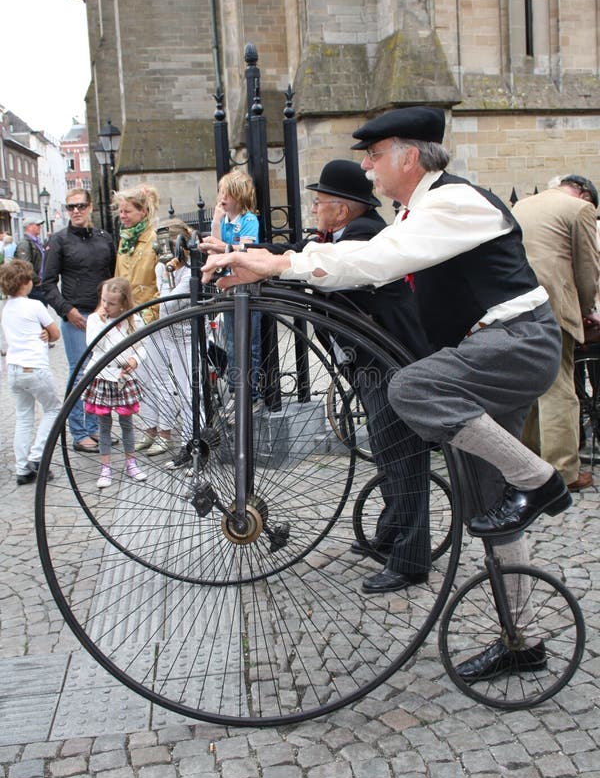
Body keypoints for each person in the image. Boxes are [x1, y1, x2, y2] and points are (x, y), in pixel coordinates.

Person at [203, 106, 571, 682]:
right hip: (486, 352)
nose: (367, 169)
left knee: (413, 386)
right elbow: (361, 262)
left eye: (374, 157)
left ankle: (540, 480)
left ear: (408, 155)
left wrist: (281, 261)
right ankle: (520, 639)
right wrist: (277, 269)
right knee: (489, 510)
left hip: (516, 342)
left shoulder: (456, 201)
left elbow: (376, 260)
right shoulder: (417, 210)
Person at [226, 159, 435, 592]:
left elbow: (314, 267)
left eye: (320, 201)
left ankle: (411, 558)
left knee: (402, 457)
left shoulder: (362, 236)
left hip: (389, 364)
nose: (314, 208)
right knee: (387, 450)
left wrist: (268, 266)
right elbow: (299, 256)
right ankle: (392, 531)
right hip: (367, 363)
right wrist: (247, 255)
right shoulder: (340, 235)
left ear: (342, 210)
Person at [514, 174, 600, 492]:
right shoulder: (579, 209)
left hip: (518, 302)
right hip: (553, 304)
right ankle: (564, 471)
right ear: (585, 194)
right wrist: (588, 309)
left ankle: (528, 463)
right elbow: (587, 268)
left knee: (528, 385)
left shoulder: (522, 206)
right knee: (559, 388)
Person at [42, 188, 116, 453]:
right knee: (78, 374)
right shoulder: (59, 240)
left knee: (101, 373)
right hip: (76, 317)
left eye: (81, 206)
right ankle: (79, 432)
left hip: (102, 315)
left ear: (90, 207)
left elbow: (113, 276)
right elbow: (47, 283)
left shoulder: (105, 238)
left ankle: (96, 427)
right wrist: (66, 310)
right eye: (71, 206)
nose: (76, 211)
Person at [201, 169, 262, 416]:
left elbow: (246, 250)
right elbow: (215, 251)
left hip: (247, 287)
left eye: (228, 193)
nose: (222, 197)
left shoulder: (249, 220)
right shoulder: (225, 220)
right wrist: (216, 222)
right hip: (229, 287)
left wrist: (222, 247)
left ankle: (253, 394)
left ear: (240, 195)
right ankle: (238, 393)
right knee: (232, 344)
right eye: (220, 192)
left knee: (250, 344)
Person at [135, 219, 194, 459]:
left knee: (190, 391)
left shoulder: (191, 271)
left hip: (187, 335)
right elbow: (164, 305)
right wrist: (167, 272)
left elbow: (167, 304)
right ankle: (156, 429)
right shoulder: (162, 268)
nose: (162, 254)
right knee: (148, 375)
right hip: (165, 331)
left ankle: (191, 446)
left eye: (167, 247)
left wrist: (170, 275)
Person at [0, 259, 61, 485]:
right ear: (26, 283)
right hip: (34, 367)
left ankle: (22, 468)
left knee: (23, 417)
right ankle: (37, 457)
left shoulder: (7, 309)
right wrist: (46, 334)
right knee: (54, 408)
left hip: (14, 369)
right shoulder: (34, 306)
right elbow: (55, 334)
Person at [83, 277, 147, 489]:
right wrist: (102, 322)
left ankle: (131, 462)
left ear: (123, 303)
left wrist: (135, 360)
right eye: (103, 301)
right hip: (103, 377)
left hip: (124, 379)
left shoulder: (133, 320)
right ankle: (105, 467)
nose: (105, 306)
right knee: (104, 425)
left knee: (127, 424)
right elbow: (93, 345)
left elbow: (142, 346)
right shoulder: (94, 320)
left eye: (111, 303)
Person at [113, 185, 160, 323]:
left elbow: (163, 285)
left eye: (127, 211)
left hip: (150, 318)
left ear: (144, 211)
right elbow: (118, 278)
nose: (122, 216)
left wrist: (150, 315)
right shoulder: (125, 240)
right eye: (120, 211)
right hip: (127, 316)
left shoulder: (155, 239)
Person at [15, 216, 47, 304]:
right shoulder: (25, 243)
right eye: (37, 225)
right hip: (33, 285)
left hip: (40, 283)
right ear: (28, 227)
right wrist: (37, 280)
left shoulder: (36, 242)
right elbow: (25, 265)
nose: (39, 227)